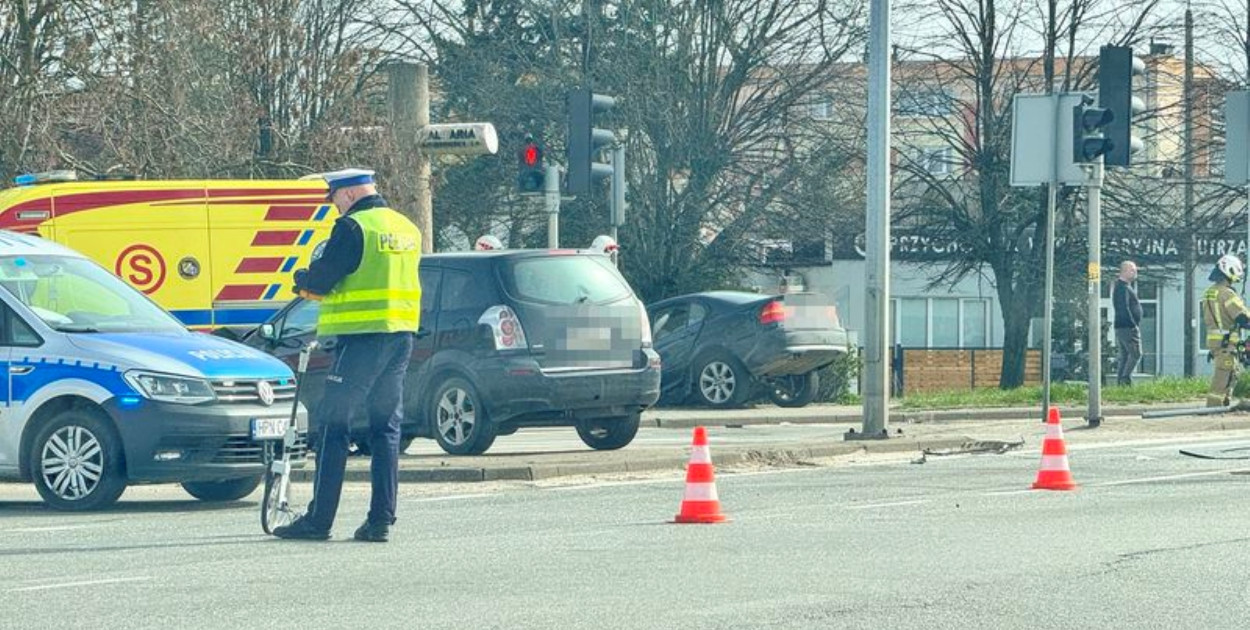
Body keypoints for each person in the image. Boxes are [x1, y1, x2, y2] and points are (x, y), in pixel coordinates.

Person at [274, 168, 421, 542]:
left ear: (350, 194)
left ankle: (318, 520)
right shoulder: (406, 227)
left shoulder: (353, 227)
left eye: (336, 199)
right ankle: (380, 520)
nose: (335, 207)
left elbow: (323, 281)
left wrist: (302, 279)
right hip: (401, 336)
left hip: (361, 341)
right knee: (385, 427)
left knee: (333, 425)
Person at [1201, 254, 1250, 408]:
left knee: (1231, 373)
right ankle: (1214, 408)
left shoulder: (1210, 291)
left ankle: (1223, 405)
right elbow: (1241, 317)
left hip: (1217, 342)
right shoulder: (1227, 293)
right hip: (1226, 343)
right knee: (1222, 377)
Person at [1112, 261, 1143, 386]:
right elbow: (1123, 308)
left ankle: (1121, 383)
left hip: (1122, 327)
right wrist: (1132, 325)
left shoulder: (1124, 287)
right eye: (1132, 270)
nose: (1135, 272)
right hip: (1127, 327)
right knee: (1136, 354)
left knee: (1125, 356)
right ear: (1124, 271)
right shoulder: (1122, 288)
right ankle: (1125, 379)